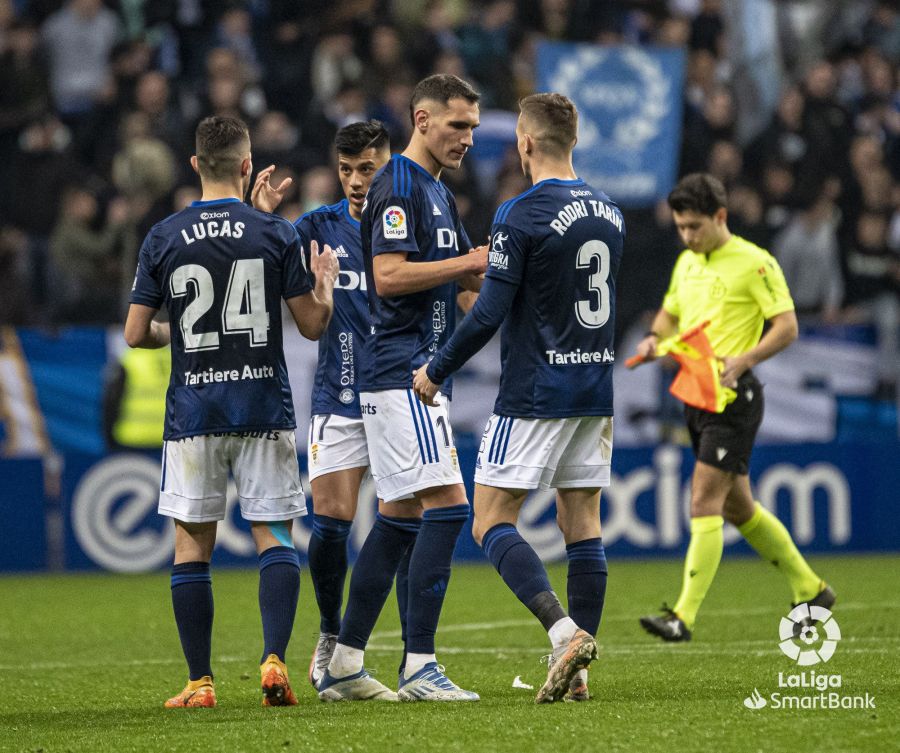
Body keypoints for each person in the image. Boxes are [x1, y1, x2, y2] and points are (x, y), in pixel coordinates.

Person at [413, 92, 622, 703]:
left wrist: (436, 367)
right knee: (582, 522)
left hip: (535, 390)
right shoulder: (609, 211)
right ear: (573, 142)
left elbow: (491, 315)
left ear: (525, 143)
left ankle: (563, 634)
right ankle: (578, 675)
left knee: (489, 519)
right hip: (594, 386)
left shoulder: (520, 212)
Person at [124, 115, 338, 707]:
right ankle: (274, 660)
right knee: (274, 537)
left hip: (194, 413)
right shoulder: (275, 232)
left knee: (193, 546)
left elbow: (136, 333)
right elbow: (313, 326)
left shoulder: (163, 236)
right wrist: (325, 284)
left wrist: (181, 334)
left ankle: (200, 682)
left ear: (194, 165)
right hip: (262, 405)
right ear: (247, 166)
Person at [316, 74, 487, 702]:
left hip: (417, 373)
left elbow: (462, 287)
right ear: (421, 119)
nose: (468, 138)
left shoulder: (438, 191)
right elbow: (388, 277)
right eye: (458, 125)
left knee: (399, 516)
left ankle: (343, 663)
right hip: (400, 373)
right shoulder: (398, 183)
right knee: (449, 508)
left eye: (472, 126)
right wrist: (468, 263)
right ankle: (419, 664)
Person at [251, 119, 424, 698]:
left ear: (387, 162)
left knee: (407, 524)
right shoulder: (317, 227)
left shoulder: (412, 218)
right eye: (346, 169)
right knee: (329, 524)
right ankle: (331, 634)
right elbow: (261, 254)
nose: (355, 181)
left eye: (367, 169)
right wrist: (263, 218)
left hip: (401, 391)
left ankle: (416, 656)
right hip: (339, 395)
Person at [633, 173, 834, 642]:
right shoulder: (687, 262)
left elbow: (787, 326)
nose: (687, 236)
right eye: (681, 227)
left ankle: (682, 616)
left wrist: (745, 359)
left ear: (720, 217)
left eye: (694, 227)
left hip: (734, 400)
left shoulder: (755, 263)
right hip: (699, 396)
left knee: (702, 499)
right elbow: (669, 313)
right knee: (741, 509)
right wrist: (653, 339)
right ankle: (811, 587)